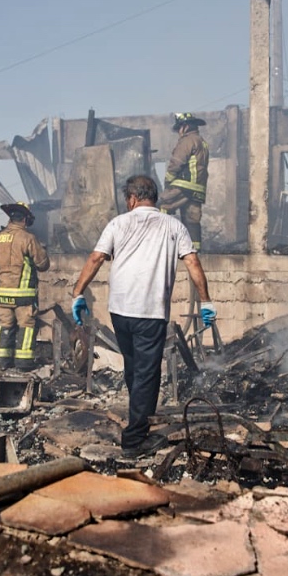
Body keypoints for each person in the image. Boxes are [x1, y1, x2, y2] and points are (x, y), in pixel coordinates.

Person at [70, 175, 215, 455]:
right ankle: (135, 439)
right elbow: (193, 262)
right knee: (147, 374)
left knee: (135, 368)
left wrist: (78, 293)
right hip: (150, 312)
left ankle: (138, 416)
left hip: (120, 312)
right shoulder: (174, 226)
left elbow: (95, 258)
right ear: (153, 198)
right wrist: (206, 301)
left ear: (132, 198)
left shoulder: (117, 223)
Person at [0, 202, 50, 371]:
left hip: (3, 295)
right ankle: (24, 363)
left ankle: (2, 362)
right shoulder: (27, 238)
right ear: (24, 219)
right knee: (27, 326)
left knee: (5, 325)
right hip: (23, 296)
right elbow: (42, 264)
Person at [157, 112, 209, 251]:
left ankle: (161, 246)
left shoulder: (187, 140)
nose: (178, 132)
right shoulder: (201, 141)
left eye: (179, 127)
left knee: (163, 206)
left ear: (185, 126)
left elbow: (177, 162)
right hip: (198, 188)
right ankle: (193, 250)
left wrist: (168, 181)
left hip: (183, 185)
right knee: (192, 219)